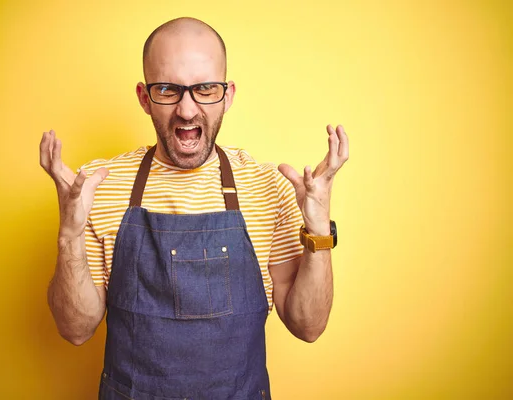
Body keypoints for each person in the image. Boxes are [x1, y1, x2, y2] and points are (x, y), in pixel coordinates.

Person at [39, 17, 349, 400]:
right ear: (144, 96)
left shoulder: (270, 188)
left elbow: (308, 326)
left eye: (204, 88)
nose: (187, 110)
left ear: (228, 95)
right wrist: (69, 235)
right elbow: (75, 329)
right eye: (168, 89)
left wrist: (318, 233)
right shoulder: (98, 187)